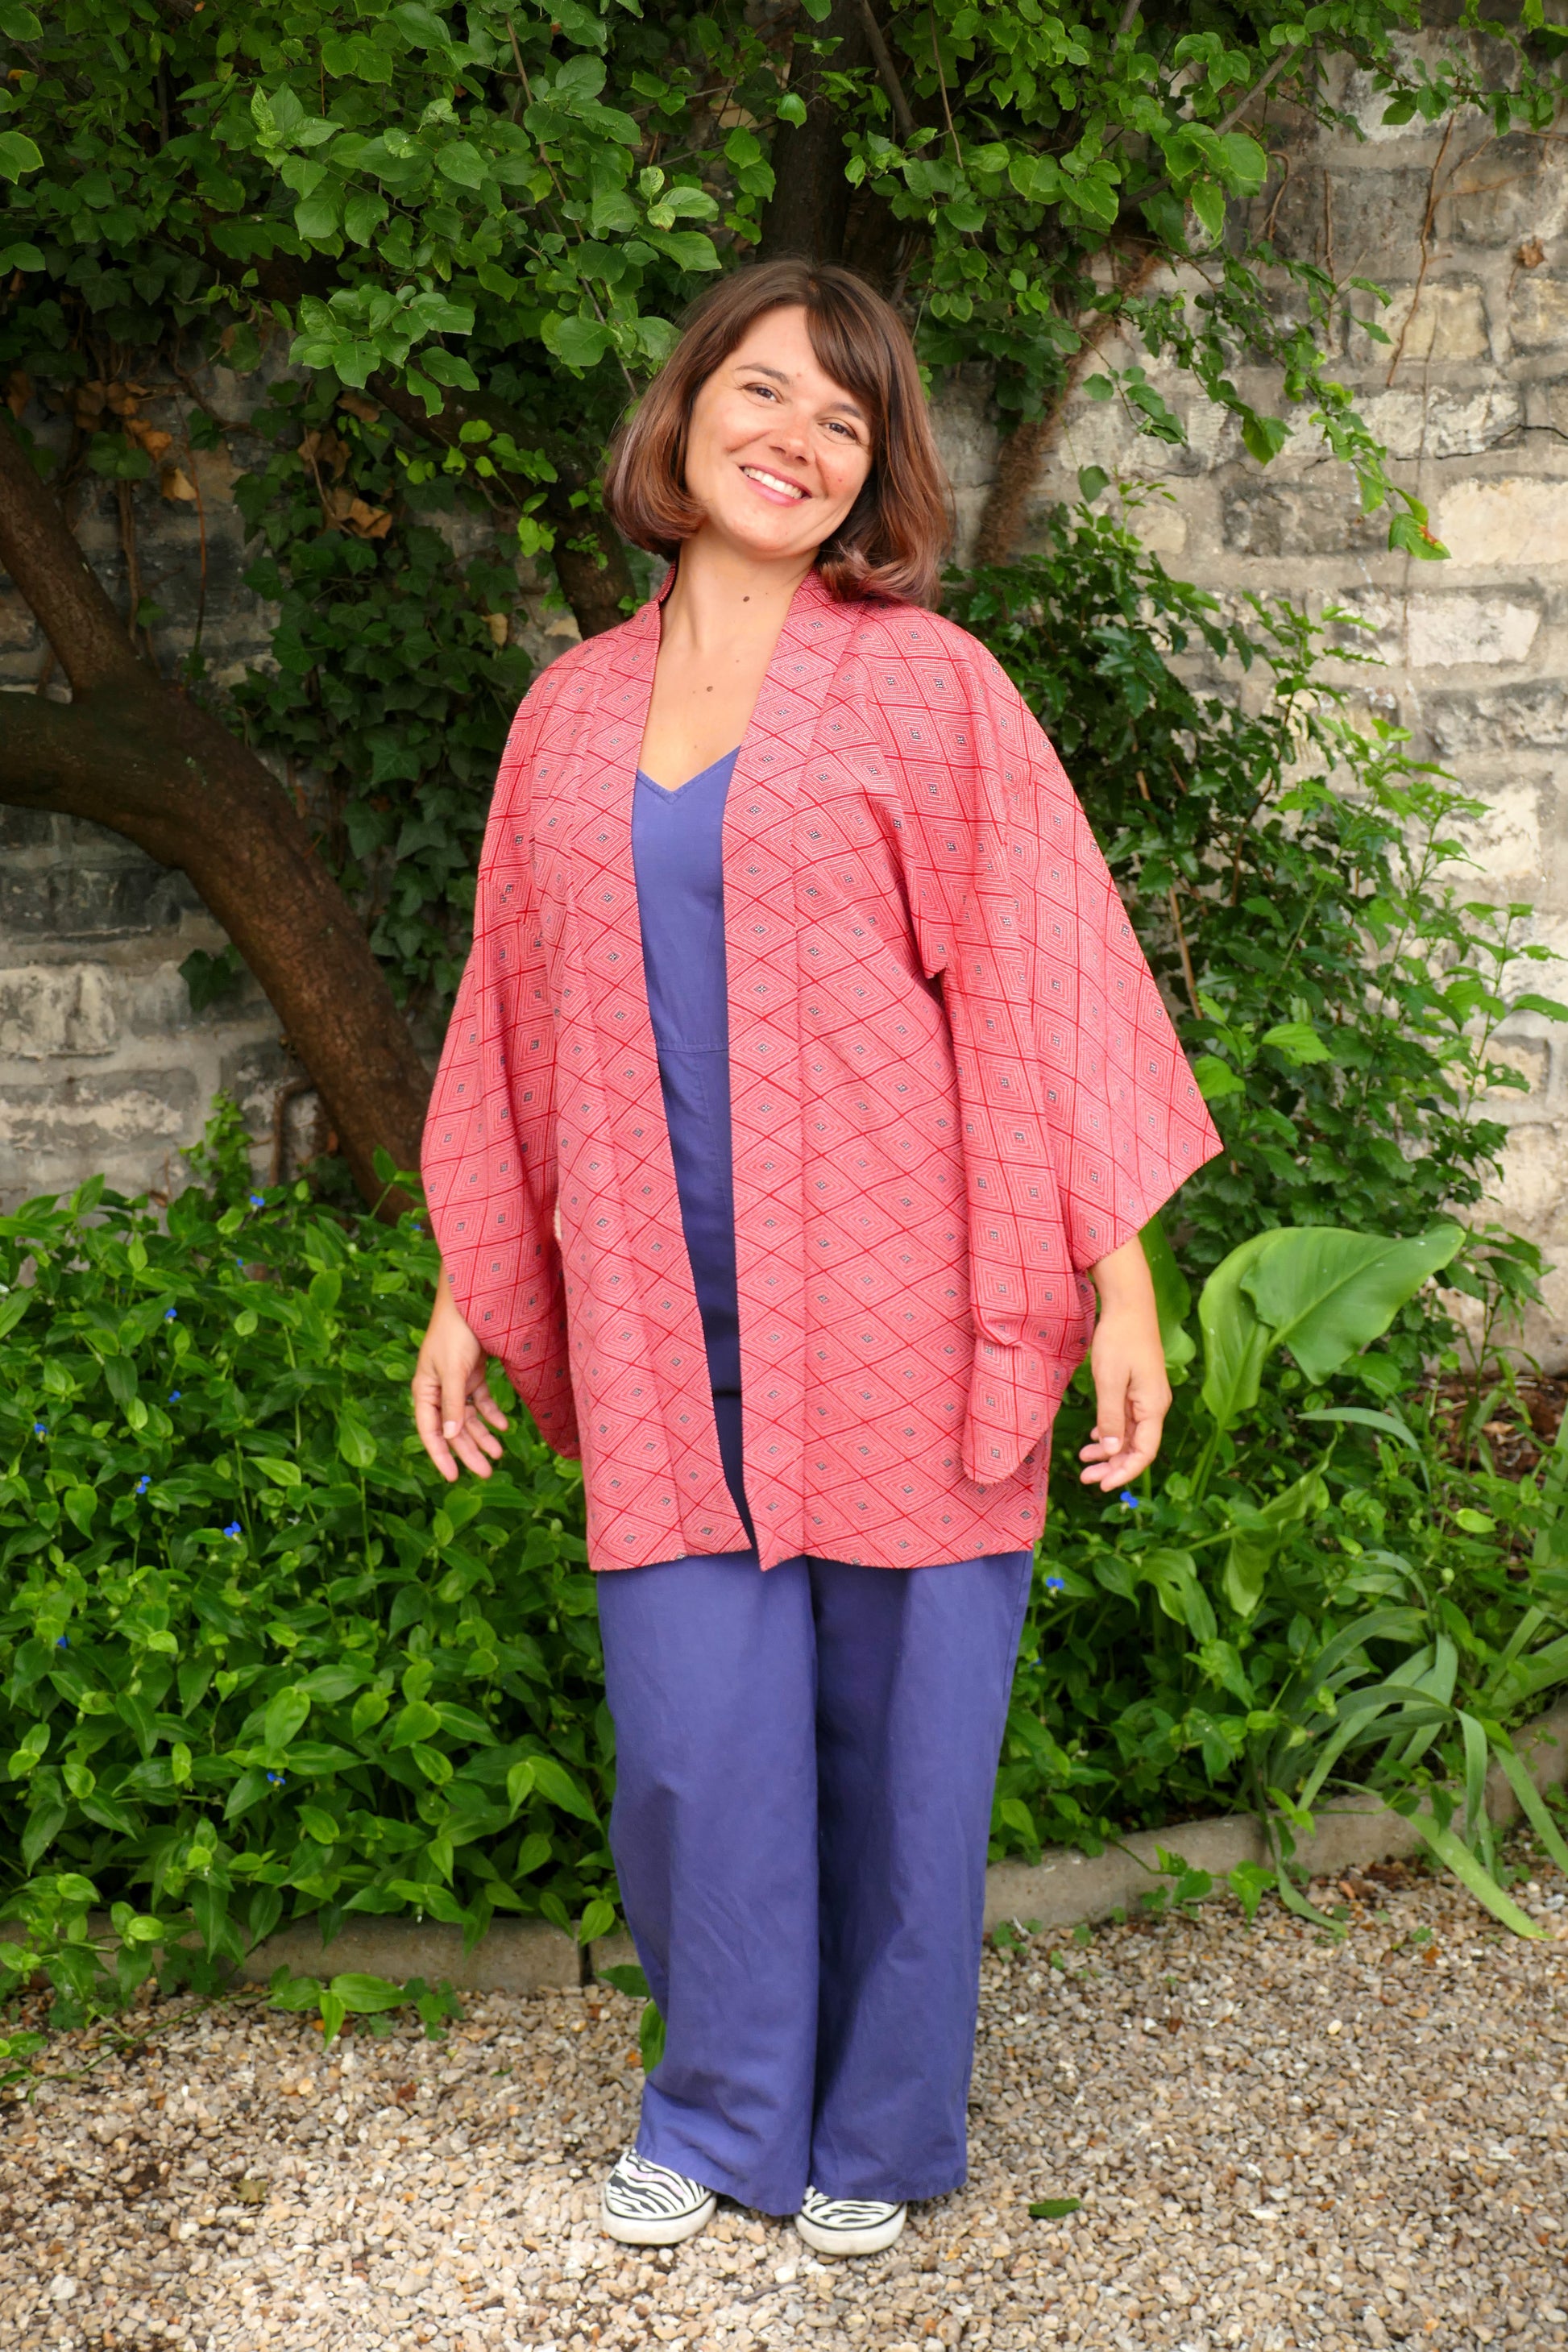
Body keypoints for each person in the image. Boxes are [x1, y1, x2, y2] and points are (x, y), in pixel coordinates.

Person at [413, 259, 1221, 2259]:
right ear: (682, 420)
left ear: (874, 474)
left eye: (841, 420)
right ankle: (715, 2107)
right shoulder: (567, 710)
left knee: (906, 1742)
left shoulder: (929, 689)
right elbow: (512, 1013)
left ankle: (876, 2123)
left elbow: (1045, 980)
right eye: (760, 392)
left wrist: (1118, 1280)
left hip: (907, 1288)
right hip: (660, 1312)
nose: (793, 436)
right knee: (693, 1741)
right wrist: (468, 1274)